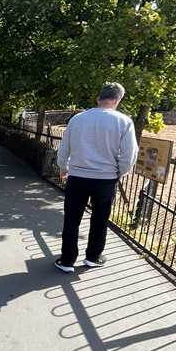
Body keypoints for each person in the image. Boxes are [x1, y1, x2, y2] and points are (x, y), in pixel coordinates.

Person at [55, 83, 138, 272]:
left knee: (71, 219)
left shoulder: (78, 119)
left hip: (77, 177)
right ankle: (93, 256)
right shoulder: (123, 121)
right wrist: (119, 173)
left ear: (98, 98)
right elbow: (129, 154)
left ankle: (67, 260)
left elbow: (65, 147)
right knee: (100, 219)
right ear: (117, 100)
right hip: (105, 180)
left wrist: (63, 167)